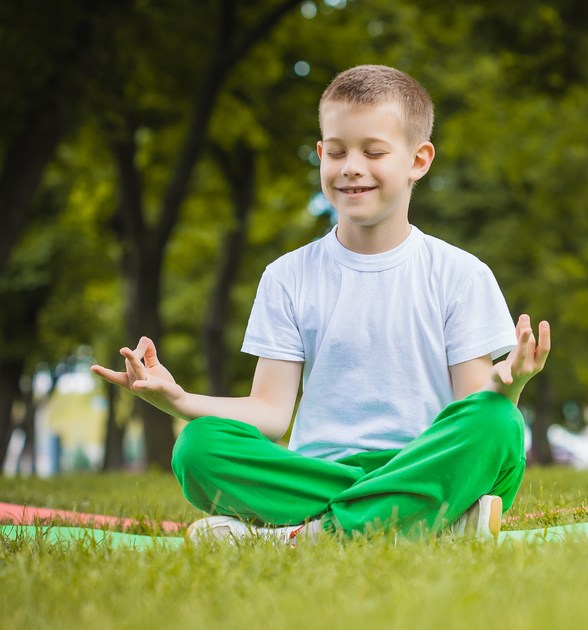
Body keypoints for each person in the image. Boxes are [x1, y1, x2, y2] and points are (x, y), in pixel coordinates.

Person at [91, 64, 550, 544]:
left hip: (426, 462)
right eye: (336, 152)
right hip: (317, 472)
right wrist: (179, 400)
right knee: (198, 447)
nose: (351, 166)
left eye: (373, 152)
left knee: (498, 422)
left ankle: (305, 535)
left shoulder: (461, 274)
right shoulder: (287, 277)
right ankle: (424, 520)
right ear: (320, 155)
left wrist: (510, 387)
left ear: (419, 160)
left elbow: (470, 414)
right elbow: (270, 413)